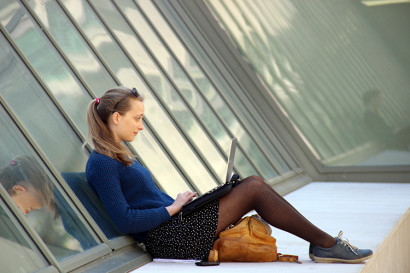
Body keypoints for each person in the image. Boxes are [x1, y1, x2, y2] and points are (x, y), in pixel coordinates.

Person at [85, 86, 373, 263]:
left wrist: (178, 203)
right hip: (169, 237)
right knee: (254, 188)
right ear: (116, 117)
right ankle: (326, 245)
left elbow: (142, 202)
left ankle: (325, 244)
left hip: (178, 225)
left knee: (250, 185)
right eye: (137, 119)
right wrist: (171, 208)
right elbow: (125, 219)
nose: (141, 126)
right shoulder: (102, 163)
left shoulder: (118, 156)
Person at [0, 155, 94, 251]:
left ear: (19, 189)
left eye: (18, 206)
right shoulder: (62, 195)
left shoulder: (69, 191)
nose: (24, 212)